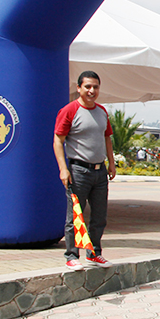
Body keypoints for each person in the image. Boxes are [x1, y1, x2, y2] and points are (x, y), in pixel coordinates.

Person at [53, 70, 116, 271]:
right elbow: (58, 140)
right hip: (78, 170)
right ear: (79, 88)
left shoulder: (102, 112)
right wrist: (64, 169)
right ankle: (72, 255)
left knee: (99, 216)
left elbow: (107, 138)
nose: (91, 90)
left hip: (100, 172)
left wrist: (111, 163)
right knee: (75, 216)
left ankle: (95, 253)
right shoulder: (70, 110)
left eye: (95, 87)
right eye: (87, 86)